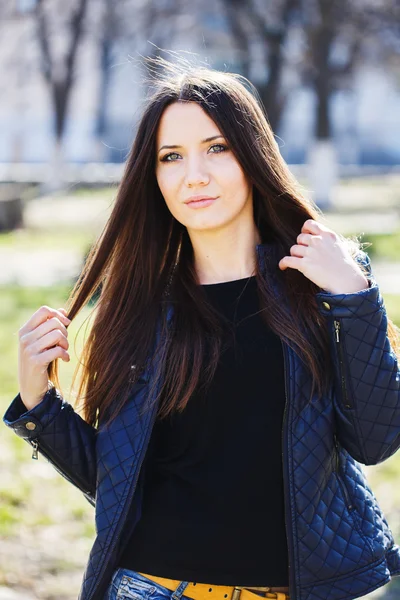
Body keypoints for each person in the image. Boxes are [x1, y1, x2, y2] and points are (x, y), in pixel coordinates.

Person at [3, 57, 400, 600]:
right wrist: (38, 402)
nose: (195, 174)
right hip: (150, 587)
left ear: (253, 156)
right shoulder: (141, 304)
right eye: (172, 156)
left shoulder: (322, 283)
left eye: (217, 148)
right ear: (155, 175)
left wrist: (354, 299)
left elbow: (375, 441)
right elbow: (118, 484)